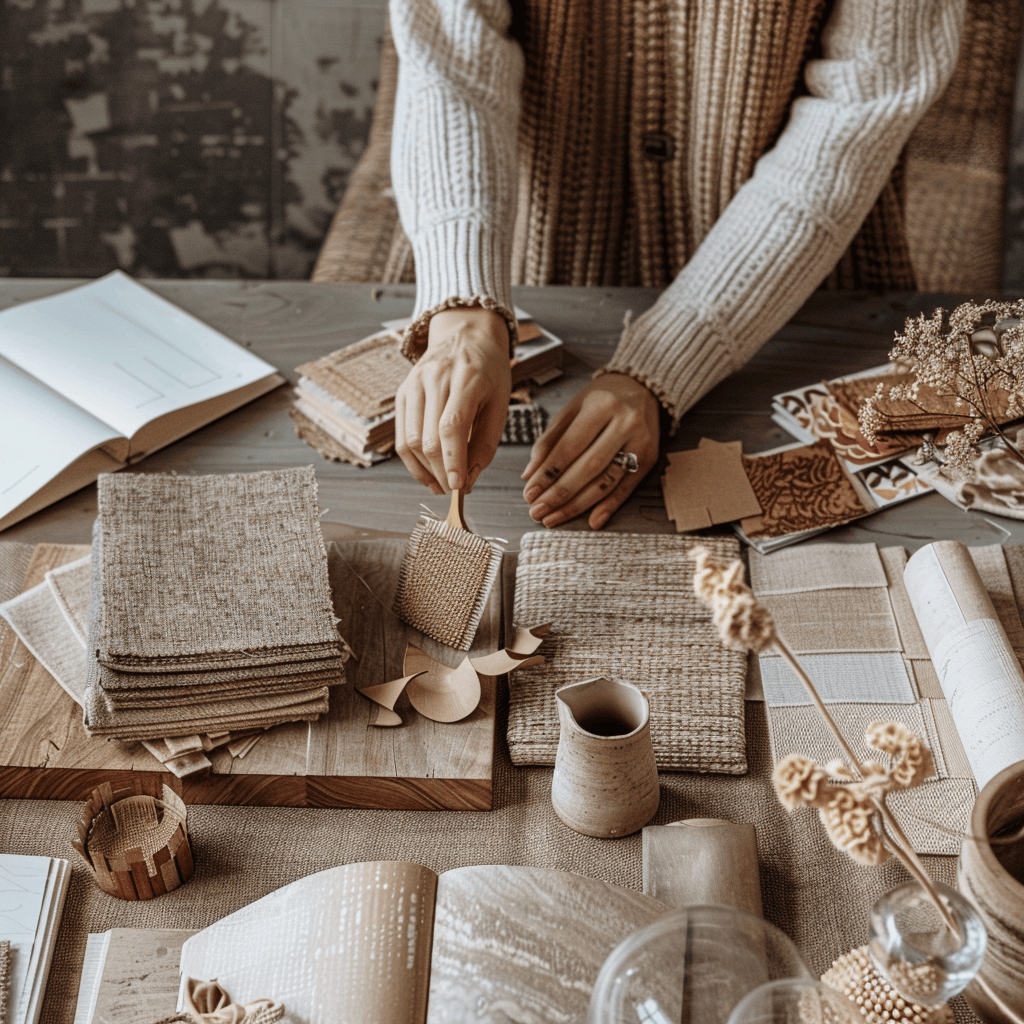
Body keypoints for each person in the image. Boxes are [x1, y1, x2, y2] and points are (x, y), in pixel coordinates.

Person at [389, 0, 964, 529]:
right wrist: (464, 311)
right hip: (541, 269)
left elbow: (859, 111)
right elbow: (451, 60)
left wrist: (663, 361)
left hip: (804, 301)